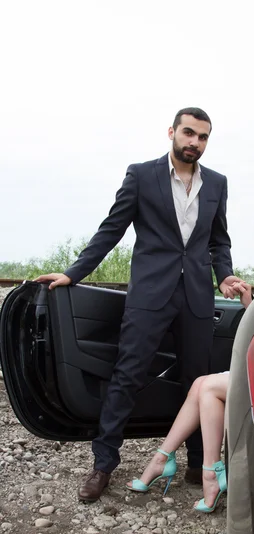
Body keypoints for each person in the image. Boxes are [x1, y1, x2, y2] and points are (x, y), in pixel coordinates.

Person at [35, 107, 242, 502]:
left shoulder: (217, 183)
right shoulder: (142, 175)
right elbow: (112, 228)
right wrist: (73, 274)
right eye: (188, 133)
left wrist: (225, 274)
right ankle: (103, 465)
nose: (194, 142)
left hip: (196, 296)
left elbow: (220, 240)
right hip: (150, 295)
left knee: (197, 382)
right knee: (127, 375)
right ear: (171, 132)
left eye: (202, 137)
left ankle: (198, 464)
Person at [127, 209, 254, 512]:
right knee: (201, 385)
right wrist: (250, 300)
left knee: (206, 387)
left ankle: (188, 468)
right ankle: (188, 467)